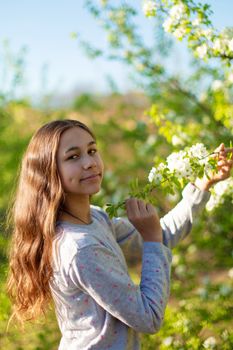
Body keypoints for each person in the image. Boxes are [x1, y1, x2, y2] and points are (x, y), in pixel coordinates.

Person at [6, 119, 233, 350]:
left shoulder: (95, 219)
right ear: (48, 171)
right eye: (73, 157)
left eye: (92, 150)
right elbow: (148, 317)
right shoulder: (80, 248)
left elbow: (161, 236)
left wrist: (202, 186)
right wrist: (153, 239)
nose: (89, 163)